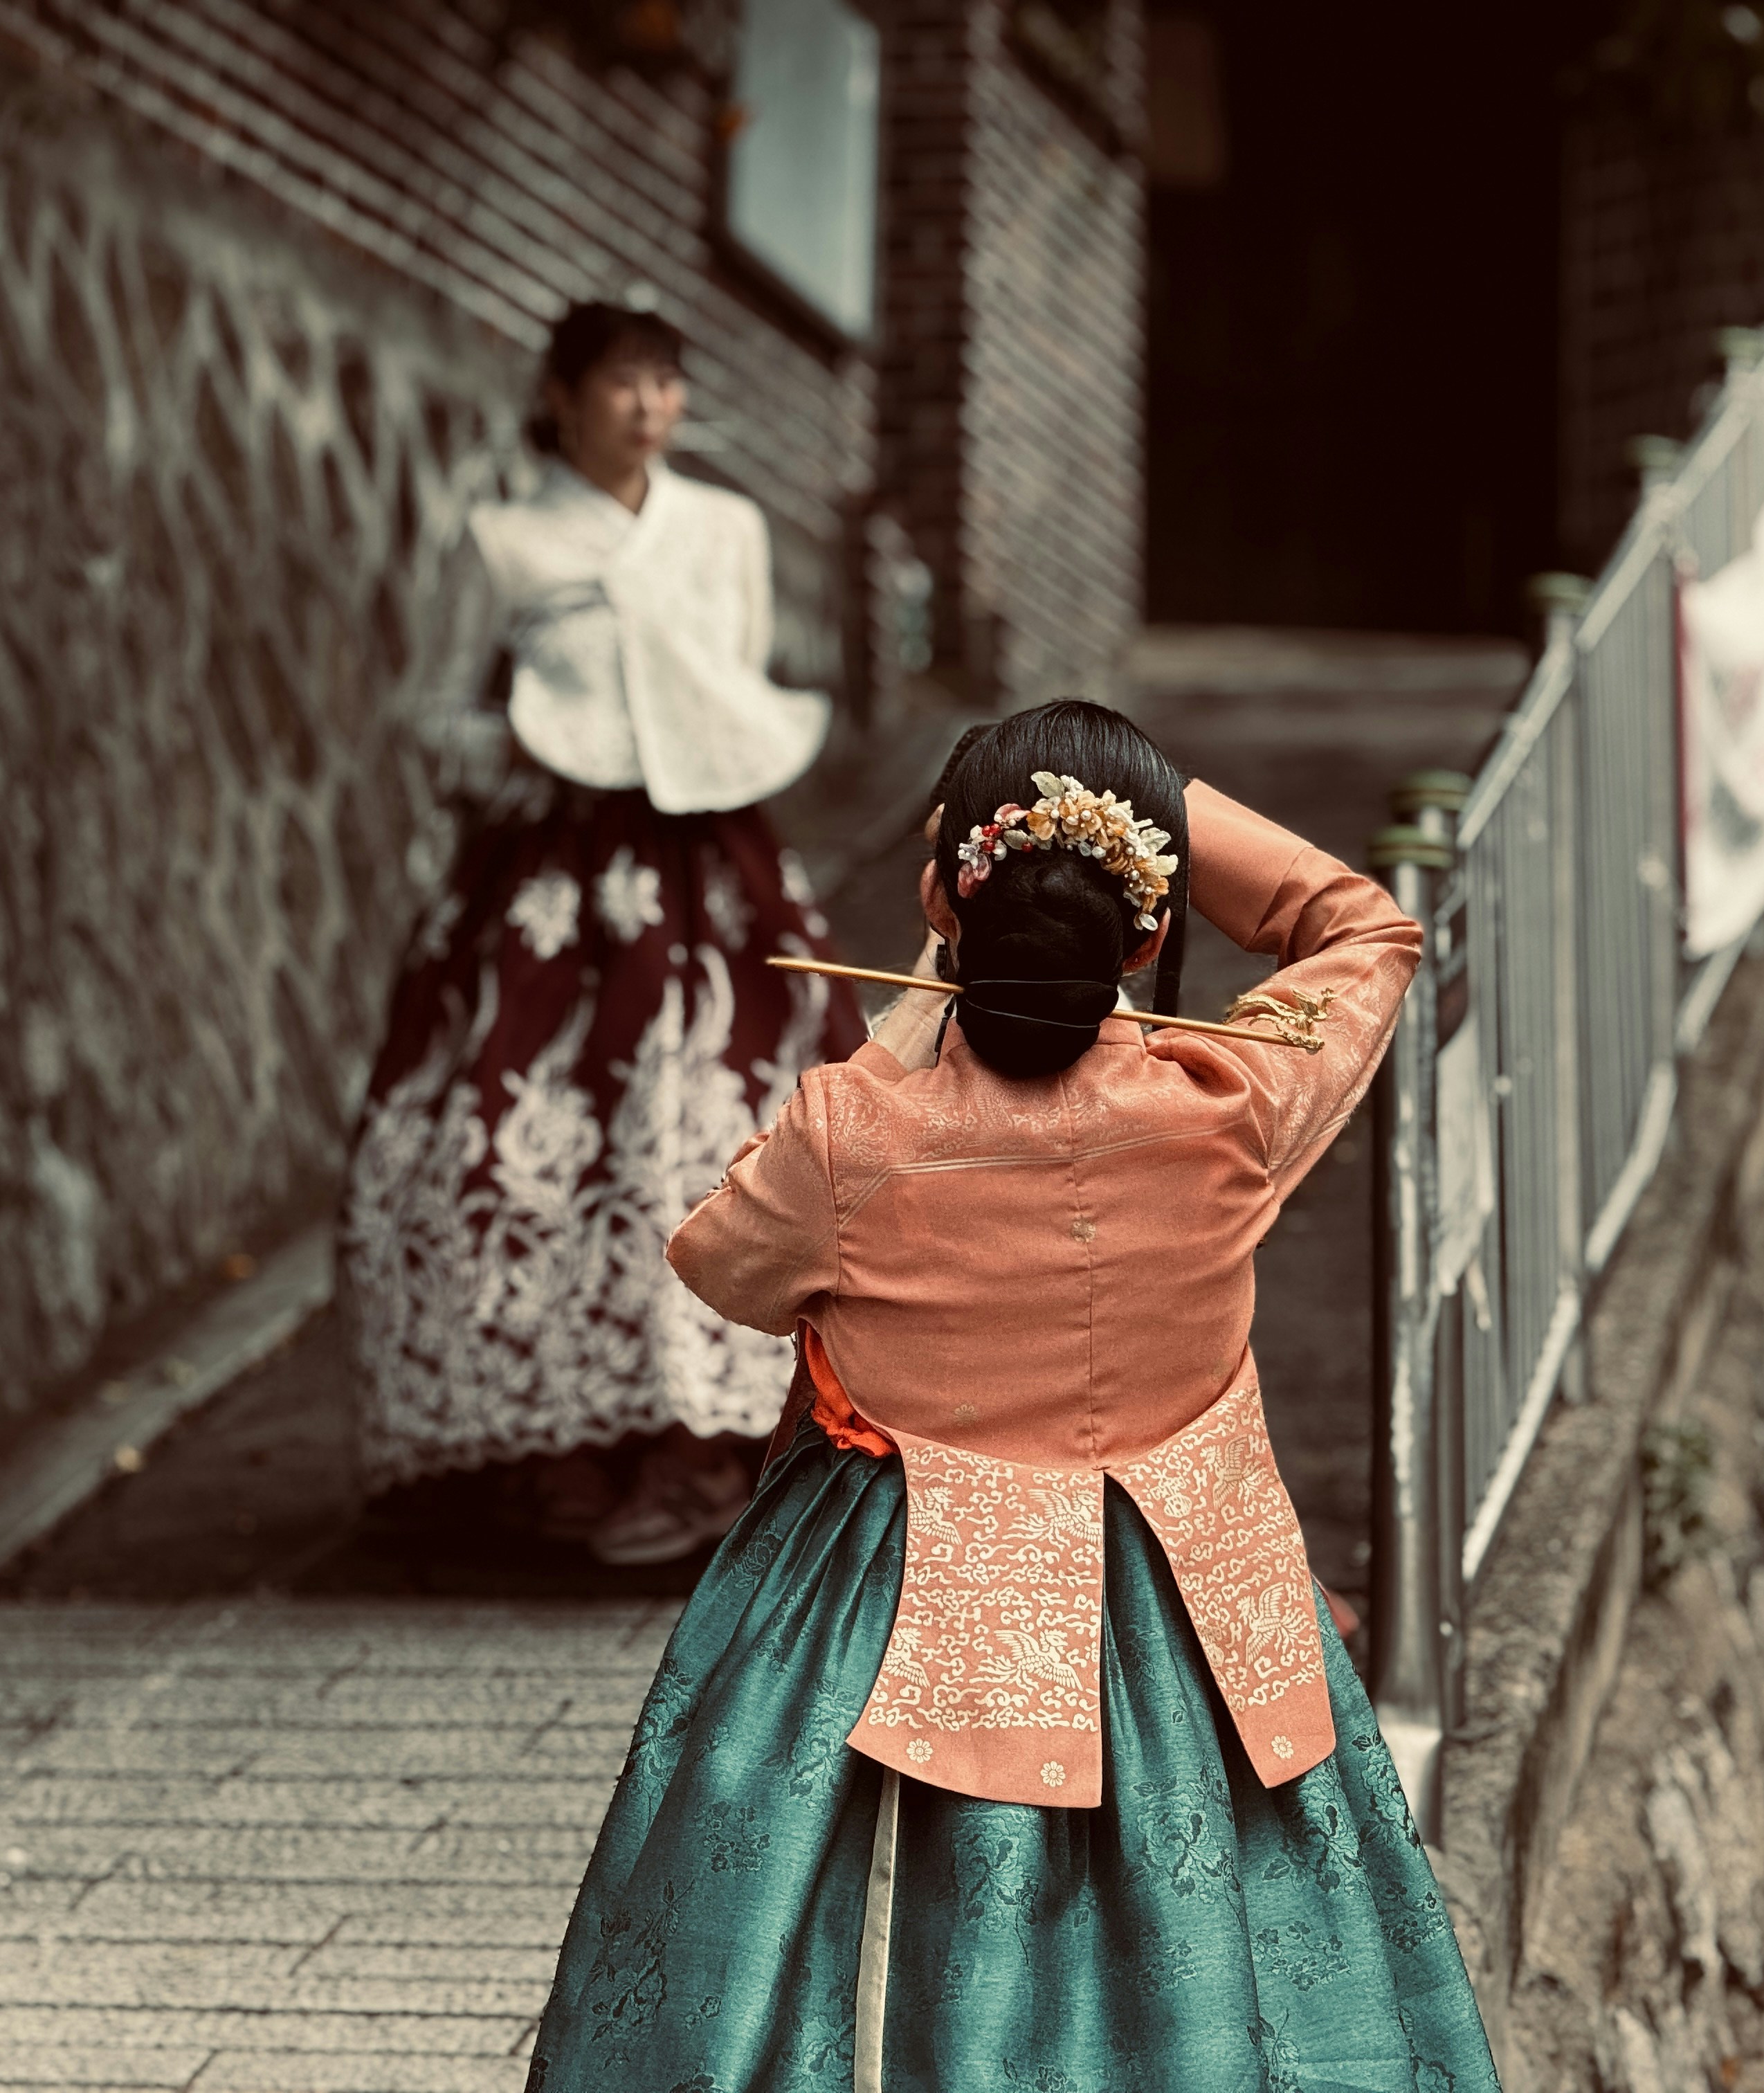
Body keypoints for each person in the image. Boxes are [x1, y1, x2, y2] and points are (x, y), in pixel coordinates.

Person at [522, 701, 1500, 2091]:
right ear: (1150, 933)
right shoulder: (1232, 1104)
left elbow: (725, 1263)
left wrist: (917, 1021)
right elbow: (1365, 929)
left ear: (939, 902)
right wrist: (1148, 809)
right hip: (1198, 1610)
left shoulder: (848, 1132)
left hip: (879, 1604)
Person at [343, 303, 864, 1566]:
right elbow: (437, 703)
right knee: (502, 1125)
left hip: (711, 873)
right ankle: (545, 1451)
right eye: (623, 383)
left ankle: (715, 1445)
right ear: (562, 396)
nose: (648, 408)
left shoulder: (723, 529)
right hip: (545, 875)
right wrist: (518, 755)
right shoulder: (502, 539)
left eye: (666, 384)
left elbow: (726, 687)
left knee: (718, 1125)